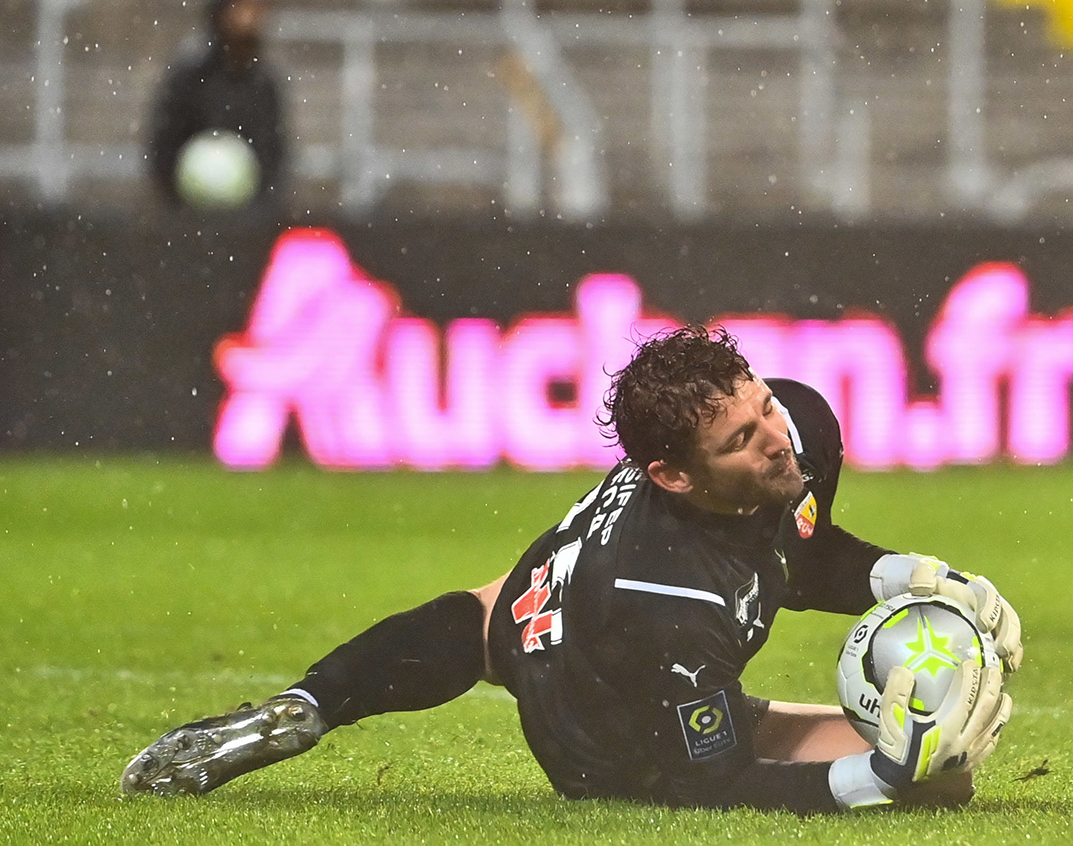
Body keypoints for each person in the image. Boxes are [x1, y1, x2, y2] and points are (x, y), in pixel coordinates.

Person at [122, 326, 1020, 814]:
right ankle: (304, 709)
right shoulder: (669, 607)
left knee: (952, 774)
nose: (775, 437)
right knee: (918, 780)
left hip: (557, 587)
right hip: (599, 728)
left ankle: (309, 704)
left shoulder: (798, 427)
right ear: (671, 473)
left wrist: (921, 575)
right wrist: (873, 778)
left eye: (759, 405)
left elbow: (798, 545)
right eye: (741, 438)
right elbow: (706, 780)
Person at [145, 0, 289, 208]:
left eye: (255, 11)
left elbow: (274, 152)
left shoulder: (264, 84)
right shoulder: (190, 77)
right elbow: (165, 145)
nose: (248, 20)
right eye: (240, 10)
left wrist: (260, 204)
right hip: (189, 214)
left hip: (248, 217)